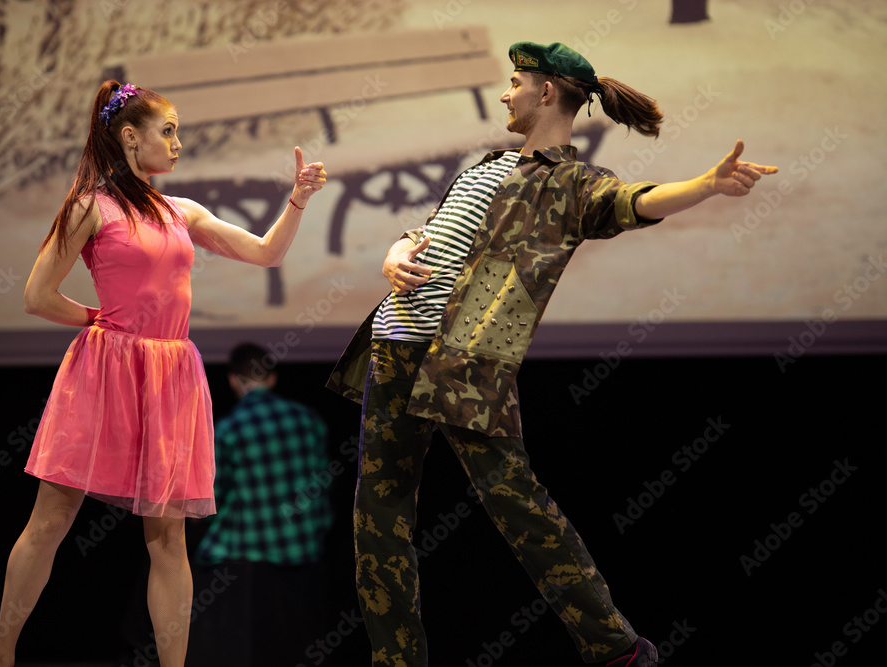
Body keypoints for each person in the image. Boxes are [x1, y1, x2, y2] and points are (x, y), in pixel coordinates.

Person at [326, 41, 778, 667]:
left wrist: (704, 185)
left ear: (546, 92)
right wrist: (399, 249)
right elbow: (435, 231)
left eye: (515, 82)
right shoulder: (486, 165)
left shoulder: (572, 183)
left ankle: (616, 649)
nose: (506, 93)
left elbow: (636, 202)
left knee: (518, 506)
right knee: (378, 517)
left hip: (466, 362)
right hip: (395, 344)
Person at [0, 80, 327, 667]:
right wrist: (102, 320)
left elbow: (266, 253)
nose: (177, 144)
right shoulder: (90, 206)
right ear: (129, 137)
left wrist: (296, 198)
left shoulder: (182, 212)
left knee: (167, 538)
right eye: (167, 131)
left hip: (170, 375)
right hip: (105, 371)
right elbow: (38, 296)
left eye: (177, 132)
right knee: (52, 519)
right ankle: (4, 653)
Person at [187, 343, 333, 667]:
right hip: (305, 556)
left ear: (234, 381)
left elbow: (207, 502)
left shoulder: (227, 429)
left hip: (244, 566)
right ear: (272, 378)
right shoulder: (310, 421)